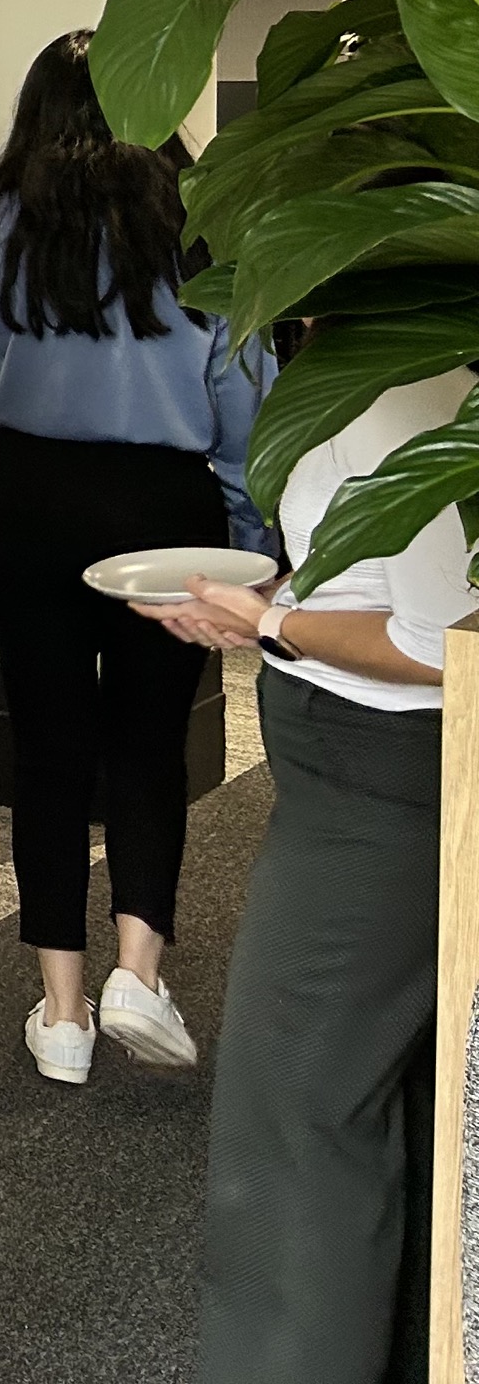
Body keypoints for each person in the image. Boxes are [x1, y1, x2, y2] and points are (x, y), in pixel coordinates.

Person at [0, 30, 269, 1085]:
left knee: (49, 750)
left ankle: (63, 1013)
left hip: (33, 499)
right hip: (168, 504)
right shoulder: (204, 231)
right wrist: (250, 552)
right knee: (152, 743)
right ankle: (138, 974)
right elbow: (246, 404)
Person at [141, 369, 462, 1383]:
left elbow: (447, 641)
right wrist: (267, 601)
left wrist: (272, 625)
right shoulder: (363, 365)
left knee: (295, 1117)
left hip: (380, 787)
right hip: (359, 779)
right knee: (373, 1094)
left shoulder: (402, 385)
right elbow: (384, 574)